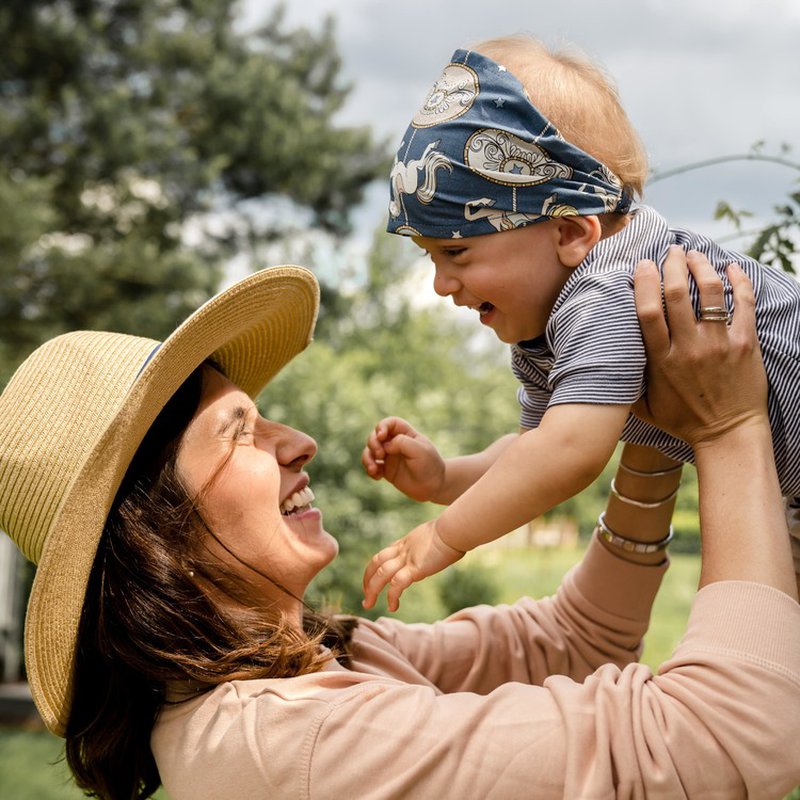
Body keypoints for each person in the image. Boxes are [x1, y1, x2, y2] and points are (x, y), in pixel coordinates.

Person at [0, 255, 799, 800]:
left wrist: (650, 441)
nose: (297, 442)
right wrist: (728, 426)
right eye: (241, 431)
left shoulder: (310, 663)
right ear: (156, 534)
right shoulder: (293, 744)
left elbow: (569, 645)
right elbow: (735, 735)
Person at [362, 34, 800, 609]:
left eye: (458, 253)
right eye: (431, 256)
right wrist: (447, 478)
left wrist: (446, 537)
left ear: (570, 233)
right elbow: (537, 448)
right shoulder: (546, 317)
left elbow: (568, 453)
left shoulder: (607, 290)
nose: (441, 285)